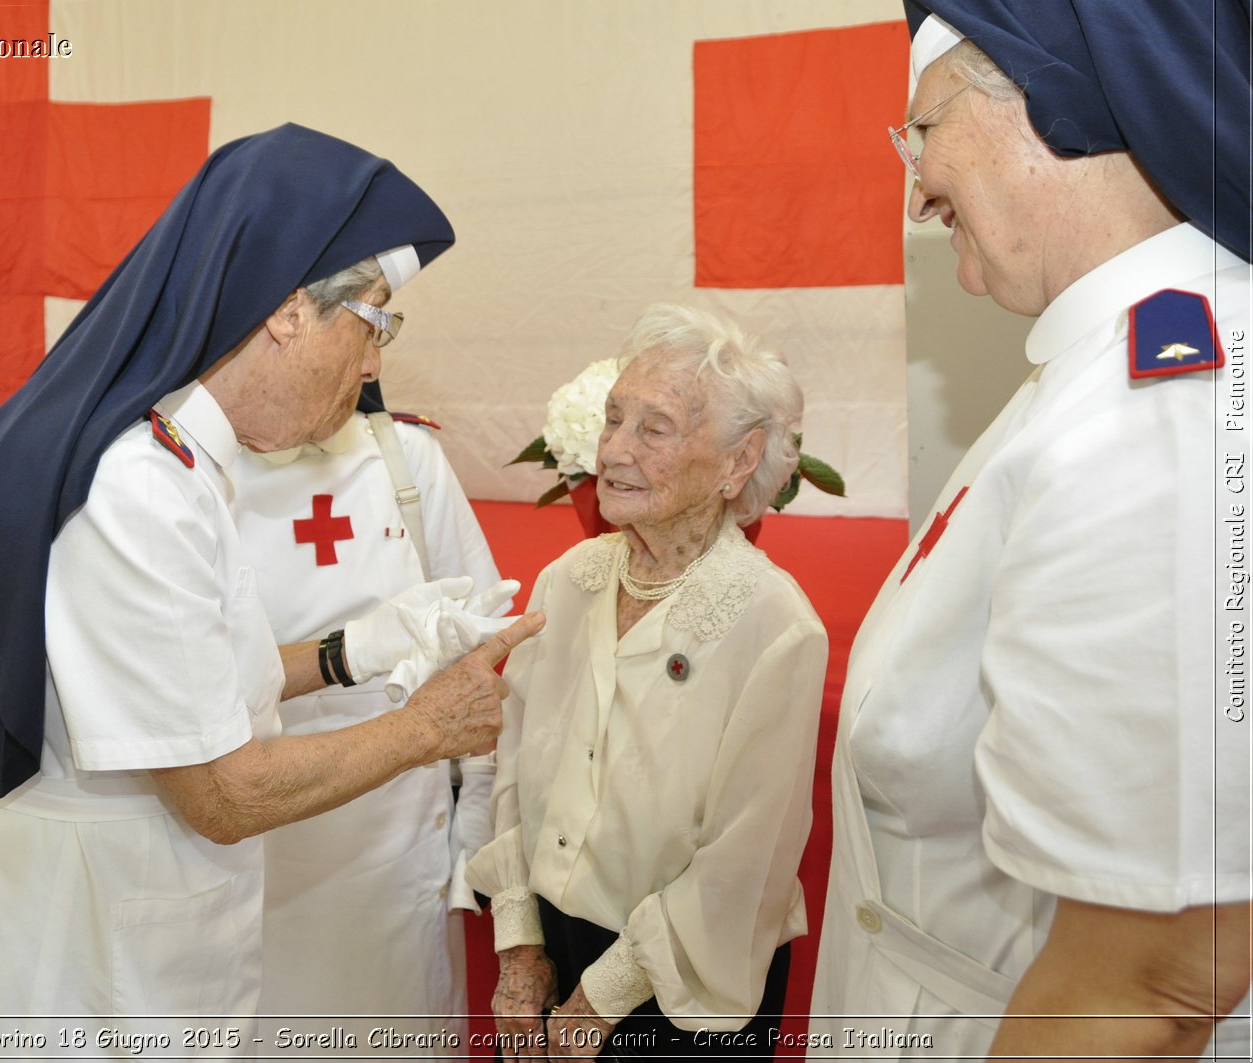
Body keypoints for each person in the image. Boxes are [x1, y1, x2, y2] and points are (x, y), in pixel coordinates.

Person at [0, 125, 543, 1058]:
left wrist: (352, 651)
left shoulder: (172, 456)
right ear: (287, 308)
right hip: (81, 958)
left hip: (113, 924)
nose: (373, 366)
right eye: (373, 321)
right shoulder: (136, 487)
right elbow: (221, 792)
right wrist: (432, 724)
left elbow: (189, 681)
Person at [809, 2, 1251, 1059]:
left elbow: (1156, 979)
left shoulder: (1160, 401)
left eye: (919, 131)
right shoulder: (1103, 364)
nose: (915, 187)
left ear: (1041, 107)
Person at [467, 303, 829, 1059]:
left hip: (686, 988)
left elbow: (745, 862)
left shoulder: (774, 625)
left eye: (653, 428)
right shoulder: (568, 581)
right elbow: (509, 766)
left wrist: (601, 998)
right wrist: (519, 944)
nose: (612, 450)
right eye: (612, 419)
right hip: (551, 945)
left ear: (738, 461)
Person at [231, 383, 506, 1052]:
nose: (373, 357)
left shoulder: (404, 454)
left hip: (395, 841)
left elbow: (475, 640)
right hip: (258, 830)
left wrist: (478, 804)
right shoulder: (195, 472)